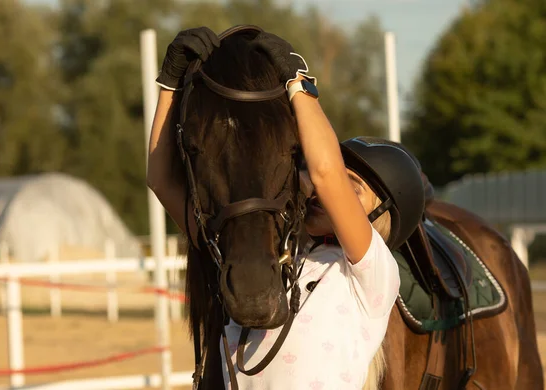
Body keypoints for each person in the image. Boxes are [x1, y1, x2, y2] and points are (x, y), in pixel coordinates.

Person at [147, 27, 425, 390]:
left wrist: (299, 82)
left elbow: (325, 174)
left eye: (351, 190)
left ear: (380, 219)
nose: (320, 191)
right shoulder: (266, 253)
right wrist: (169, 85)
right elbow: (161, 180)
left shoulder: (372, 276)